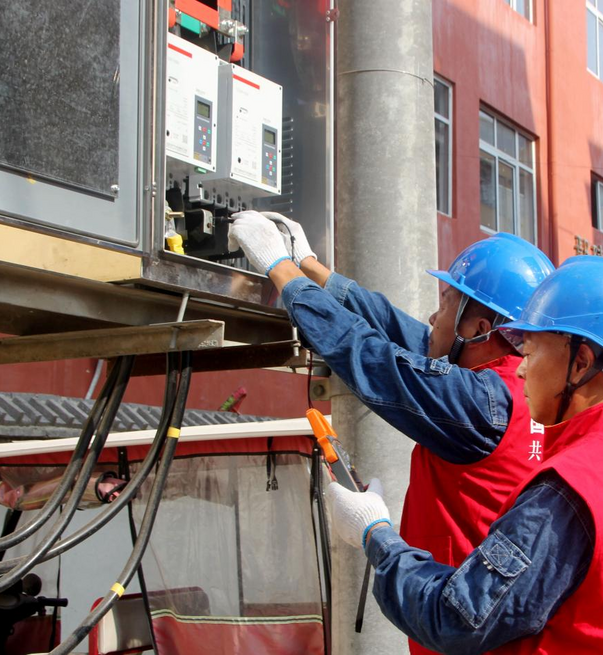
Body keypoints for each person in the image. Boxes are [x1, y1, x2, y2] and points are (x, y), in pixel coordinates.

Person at [327, 256, 603, 654]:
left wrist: (374, 533)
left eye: (530, 353)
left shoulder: (567, 493)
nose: (518, 370)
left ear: (579, 362)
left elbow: (458, 618)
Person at [227, 211, 553, 654]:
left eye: (445, 302)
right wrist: (310, 267)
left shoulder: (480, 404)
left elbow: (373, 358)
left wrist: (278, 268)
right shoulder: (517, 386)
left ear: (479, 329)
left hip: (463, 633)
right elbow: (412, 337)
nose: (433, 315)